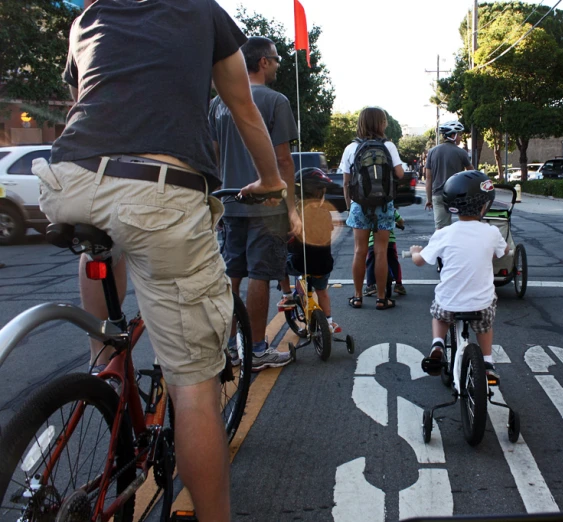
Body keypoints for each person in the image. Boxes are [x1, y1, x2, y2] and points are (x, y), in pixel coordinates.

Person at [31, 1, 287, 520]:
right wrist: (273, 181)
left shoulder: (90, 14)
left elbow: (92, 98)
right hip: (158, 189)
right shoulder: (201, 11)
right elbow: (241, 107)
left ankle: (104, 362)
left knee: (107, 238)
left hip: (70, 182)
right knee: (193, 386)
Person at [209, 36, 301, 371]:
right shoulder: (275, 100)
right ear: (263, 62)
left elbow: (214, 156)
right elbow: (283, 161)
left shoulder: (218, 103)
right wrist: (290, 208)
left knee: (232, 273)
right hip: (266, 203)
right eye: (275, 59)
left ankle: (228, 349)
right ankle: (258, 348)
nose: (278, 64)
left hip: (230, 201)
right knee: (260, 274)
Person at [410, 170, 508, 382]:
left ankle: (437, 343)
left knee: (439, 314)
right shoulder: (491, 232)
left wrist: (415, 252)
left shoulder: (444, 233)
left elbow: (420, 261)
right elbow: (504, 251)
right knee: (485, 325)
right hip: (481, 303)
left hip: (450, 301)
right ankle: (488, 362)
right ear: (484, 206)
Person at [340, 107, 405, 310]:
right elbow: (400, 174)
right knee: (381, 252)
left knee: (359, 251)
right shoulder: (388, 146)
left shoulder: (351, 148)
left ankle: (358, 296)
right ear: (381, 123)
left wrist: (350, 206)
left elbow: (346, 182)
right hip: (384, 205)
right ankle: (381, 298)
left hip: (360, 204)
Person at [286, 168, 340, 332]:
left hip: (299, 263)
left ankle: (286, 294)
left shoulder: (295, 214)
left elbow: (288, 236)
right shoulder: (326, 213)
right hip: (323, 265)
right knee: (322, 291)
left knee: (280, 260)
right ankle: (329, 322)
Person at [425, 121, 473, 230]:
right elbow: (472, 173)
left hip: (439, 195)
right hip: (458, 195)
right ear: (453, 135)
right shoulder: (461, 152)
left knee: (441, 230)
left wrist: (429, 199)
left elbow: (428, 178)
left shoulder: (432, 152)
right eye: (459, 135)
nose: (461, 138)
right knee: (467, 225)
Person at [364, 208, 406, 297]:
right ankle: (398, 284)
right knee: (394, 261)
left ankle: (370, 285)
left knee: (371, 262)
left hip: (373, 241)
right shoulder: (391, 209)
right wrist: (400, 224)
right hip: (389, 241)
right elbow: (400, 221)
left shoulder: (368, 211)